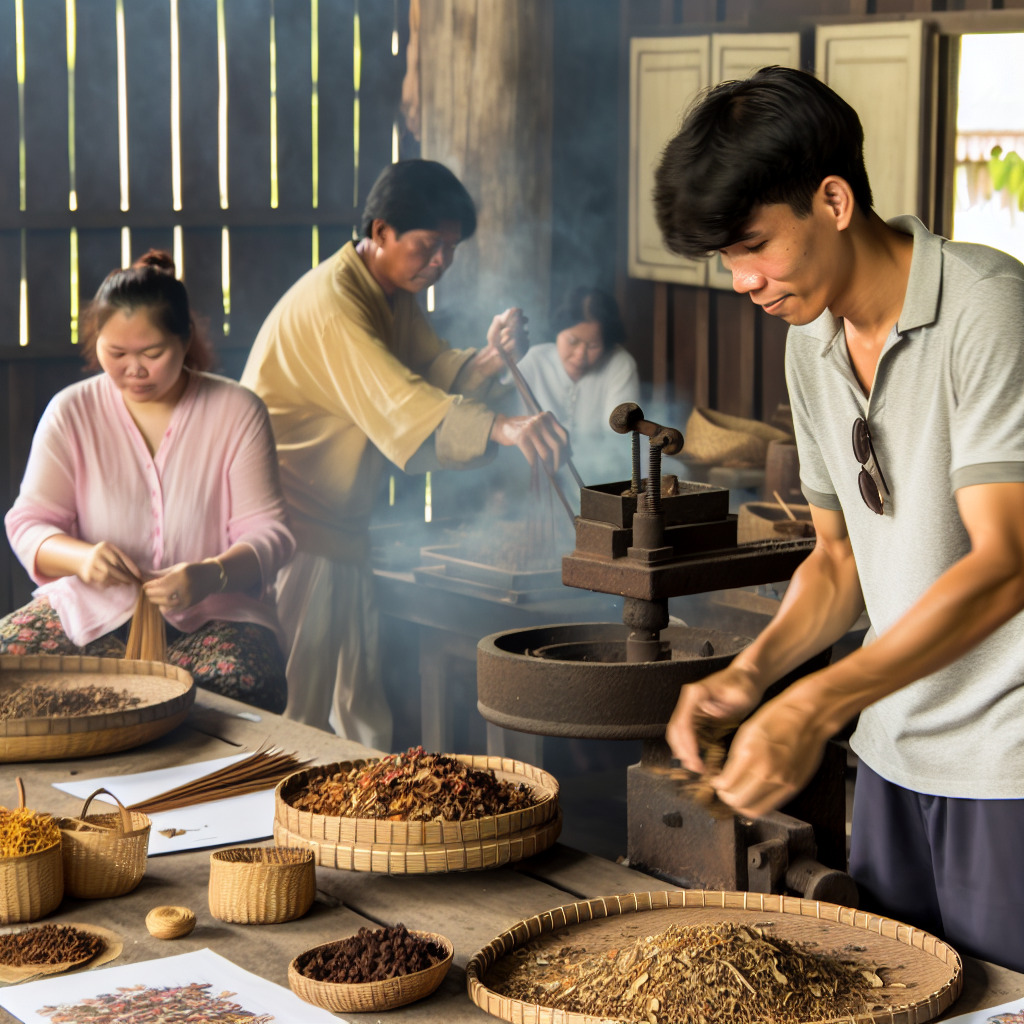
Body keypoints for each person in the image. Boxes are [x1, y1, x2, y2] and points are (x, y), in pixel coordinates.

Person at [655, 67, 1024, 969]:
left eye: (755, 247)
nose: (744, 281)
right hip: (892, 749)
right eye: (725, 261)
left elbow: (1007, 560)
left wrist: (817, 701)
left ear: (832, 199)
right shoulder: (809, 343)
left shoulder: (988, 306)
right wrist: (754, 675)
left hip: (1005, 765)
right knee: (897, 992)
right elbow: (837, 561)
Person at [241, 160, 568, 750]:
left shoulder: (387, 292)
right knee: (295, 709)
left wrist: (490, 361)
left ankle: (356, 830)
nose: (441, 261)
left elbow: (430, 367)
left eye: (451, 248)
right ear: (382, 230)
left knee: (356, 700)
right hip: (295, 527)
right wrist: (504, 427)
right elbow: (399, 402)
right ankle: (276, 834)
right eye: (428, 245)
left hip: (340, 527)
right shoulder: (334, 304)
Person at [2, 252, 295, 712]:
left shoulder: (237, 411)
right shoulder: (71, 411)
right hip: (90, 610)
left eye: (151, 354)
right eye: (115, 353)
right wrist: (83, 558)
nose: (132, 370)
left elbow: (269, 534)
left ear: (185, 339)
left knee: (245, 685)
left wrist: (210, 574)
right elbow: (28, 523)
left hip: (212, 615)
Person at [514, 287, 640, 484]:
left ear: (607, 343)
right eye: (572, 341)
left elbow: (619, 442)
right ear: (557, 331)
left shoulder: (620, 365)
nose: (580, 354)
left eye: (593, 345)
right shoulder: (532, 362)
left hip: (601, 480)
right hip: (534, 478)